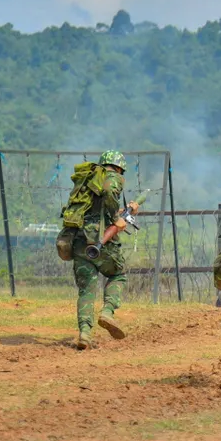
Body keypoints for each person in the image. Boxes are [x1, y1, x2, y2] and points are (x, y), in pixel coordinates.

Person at [64, 150, 139, 350]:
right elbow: (109, 192)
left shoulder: (88, 179)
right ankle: (107, 312)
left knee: (86, 289)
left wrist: (123, 212)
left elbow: (95, 208)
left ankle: (84, 334)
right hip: (101, 241)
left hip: (79, 240)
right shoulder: (112, 177)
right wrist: (117, 218)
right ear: (119, 168)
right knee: (118, 275)